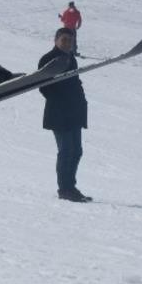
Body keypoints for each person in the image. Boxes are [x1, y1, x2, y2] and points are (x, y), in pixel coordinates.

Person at [38, 28, 91, 202]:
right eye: (64, 40)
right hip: (59, 113)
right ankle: (64, 189)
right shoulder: (48, 59)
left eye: (70, 40)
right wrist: (62, 100)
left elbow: (75, 83)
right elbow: (44, 87)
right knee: (66, 150)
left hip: (74, 112)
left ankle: (71, 187)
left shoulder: (71, 59)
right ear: (56, 40)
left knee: (76, 151)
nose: (67, 43)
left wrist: (81, 101)